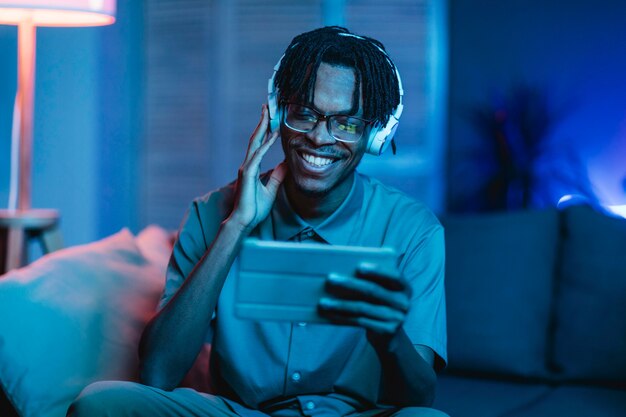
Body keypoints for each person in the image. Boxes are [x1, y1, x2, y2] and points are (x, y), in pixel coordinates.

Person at [67, 26, 448, 417]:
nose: (320, 137)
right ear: (279, 114)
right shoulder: (211, 212)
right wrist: (236, 226)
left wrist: (390, 338)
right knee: (99, 403)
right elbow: (158, 373)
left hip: (353, 415)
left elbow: (419, 398)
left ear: (375, 135)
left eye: (346, 123)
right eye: (305, 113)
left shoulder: (413, 231)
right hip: (241, 413)